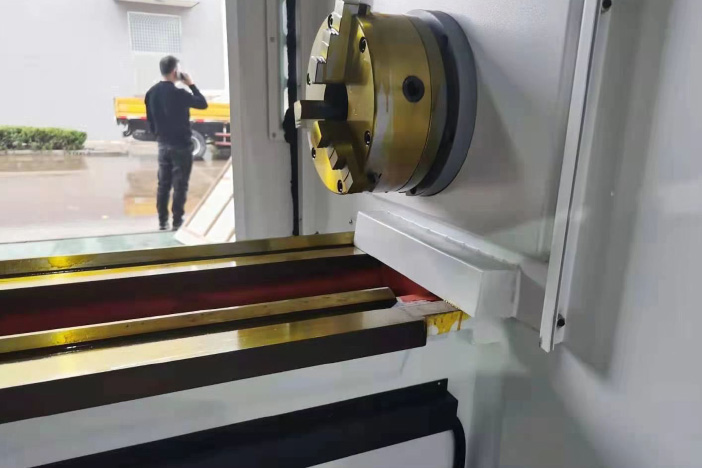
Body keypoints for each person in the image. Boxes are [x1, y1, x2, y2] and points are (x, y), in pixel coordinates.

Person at [145, 55, 208, 231]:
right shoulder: (180, 94)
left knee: (163, 185)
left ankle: (162, 221)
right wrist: (191, 84)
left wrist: (159, 136)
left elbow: (150, 121)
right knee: (180, 185)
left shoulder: (151, 93)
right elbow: (203, 104)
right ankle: (177, 221)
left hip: (163, 145)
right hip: (181, 145)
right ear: (175, 71)